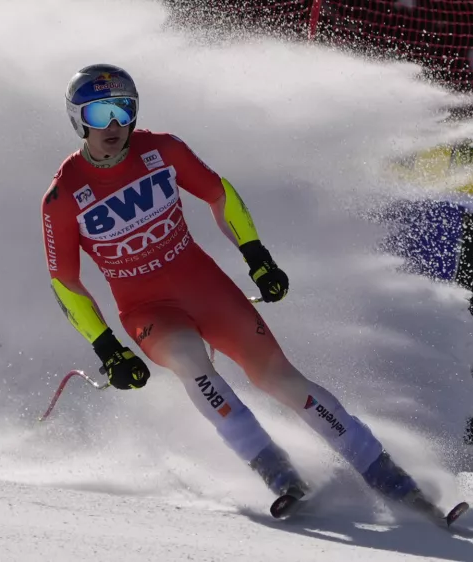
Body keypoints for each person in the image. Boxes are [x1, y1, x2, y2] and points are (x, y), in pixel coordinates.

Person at [40, 63, 436, 513]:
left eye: (122, 109)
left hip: (206, 289)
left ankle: (386, 473)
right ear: (78, 120)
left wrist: (257, 257)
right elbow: (65, 280)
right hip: (147, 309)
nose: (113, 124)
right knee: (191, 362)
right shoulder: (63, 196)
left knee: (279, 378)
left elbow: (218, 193)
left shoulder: (162, 149)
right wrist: (108, 348)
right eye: (98, 114)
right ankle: (274, 467)